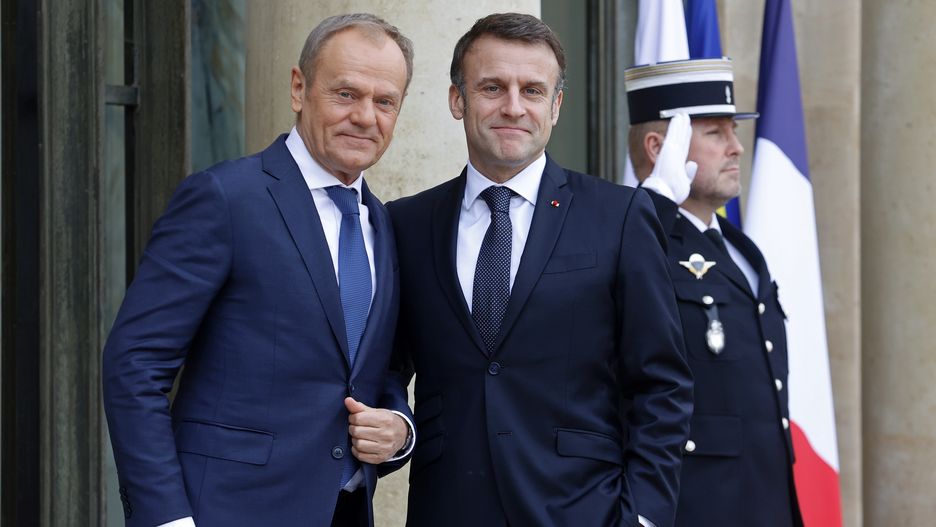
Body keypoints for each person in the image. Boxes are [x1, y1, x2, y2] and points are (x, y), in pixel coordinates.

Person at [102, 13, 416, 527]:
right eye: (345, 94)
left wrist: (399, 430)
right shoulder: (225, 198)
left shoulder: (381, 223)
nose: (365, 116)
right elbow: (134, 364)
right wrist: (167, 518)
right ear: (299, 88)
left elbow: (373, 371)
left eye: (385, 102)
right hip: (224, 511)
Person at [388, 13, 693, 527]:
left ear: (556, 106)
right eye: (492, 87)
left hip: (585, 511)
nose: (513, 106)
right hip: (449, 509)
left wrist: (643, 516)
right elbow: (387, 366)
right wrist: (397, 421)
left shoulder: (619, 217)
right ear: (457, 99)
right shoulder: (407, 223)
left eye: (532, 90)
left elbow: (661, 383)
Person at [625, 57, 803, 526]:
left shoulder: (739, 248)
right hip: (697, 506)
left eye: (734, 132)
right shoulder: (637, 244)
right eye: (715, 133)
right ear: (659, 147)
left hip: (766, 501)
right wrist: (656, 200)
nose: (737, 148)